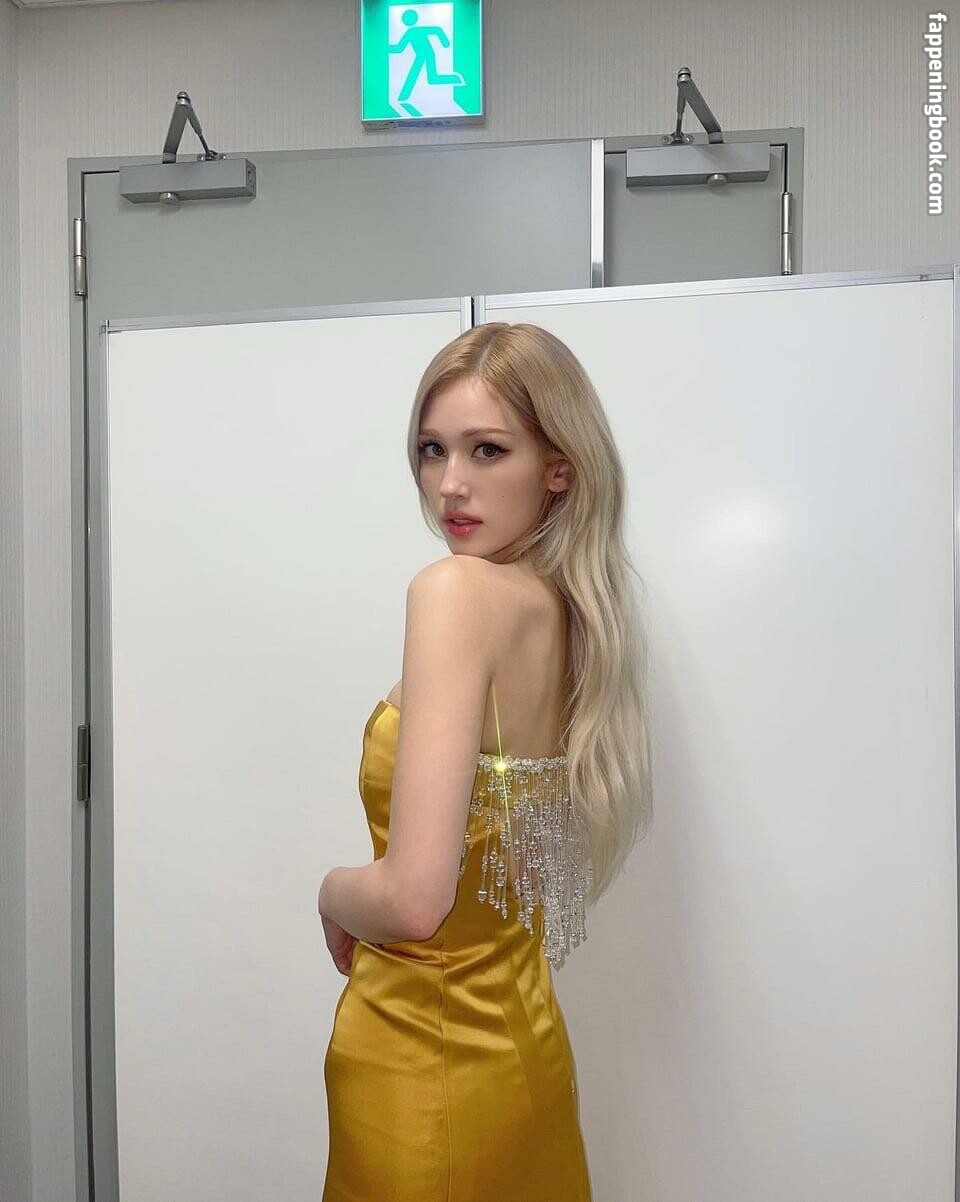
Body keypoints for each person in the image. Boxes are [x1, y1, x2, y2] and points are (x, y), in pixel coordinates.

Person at [317, 322, 653, 1200]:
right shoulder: (572, 615)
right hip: (523, 1047)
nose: (449, 485)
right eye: (432, 449)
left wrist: (330, 890)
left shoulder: (456, 592)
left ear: (559, 466)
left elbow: (413, 900)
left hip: (421, 1056)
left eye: (487, 449)